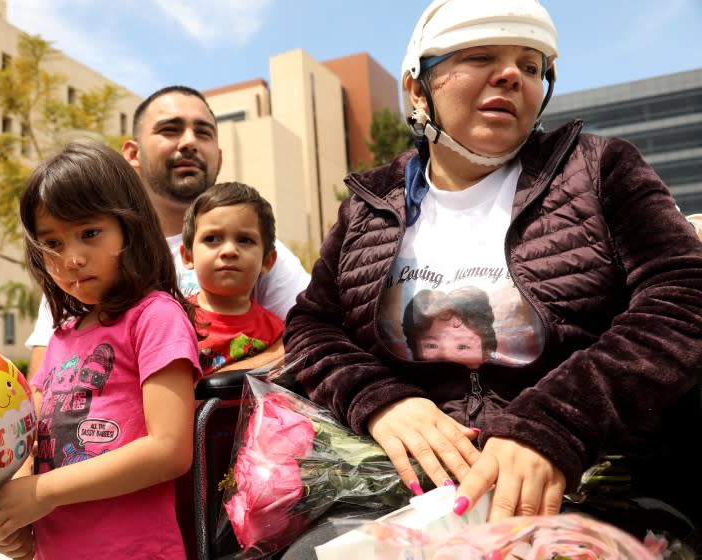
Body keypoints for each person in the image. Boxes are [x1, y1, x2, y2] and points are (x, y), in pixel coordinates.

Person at [282, 0, 702, 555]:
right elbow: (313, 324)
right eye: (480, 56)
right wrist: (381, 399)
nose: (511, 75)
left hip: (597, 485)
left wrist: (559, 423)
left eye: (531, 67)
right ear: (417, 90)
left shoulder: (601, 168)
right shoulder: (368, 203)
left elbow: (683, 296)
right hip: (403, 494)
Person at [0, 142, 202, 560]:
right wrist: (17, 522)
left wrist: (43, 491)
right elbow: (35, 442)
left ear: (131, 227)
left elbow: (169, 449)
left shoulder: (154, 316)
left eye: (89, 233)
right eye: (52, 243)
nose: (72, 258)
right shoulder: (61, 335)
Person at [24, 86, 311, 376]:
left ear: (219, 157)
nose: (189, 142)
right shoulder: (85, 260)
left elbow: (314, 335)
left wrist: (207, 385)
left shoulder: (261, 251)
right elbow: (46, 376)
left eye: (203, 133)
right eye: (170, 130)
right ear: (132, 154)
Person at [180, 181, 285, 375]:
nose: (229, 251)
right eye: (212, 238)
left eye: (245, 240)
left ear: (268, 260)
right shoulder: (176, 320)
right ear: (187, 256)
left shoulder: (278, 333)